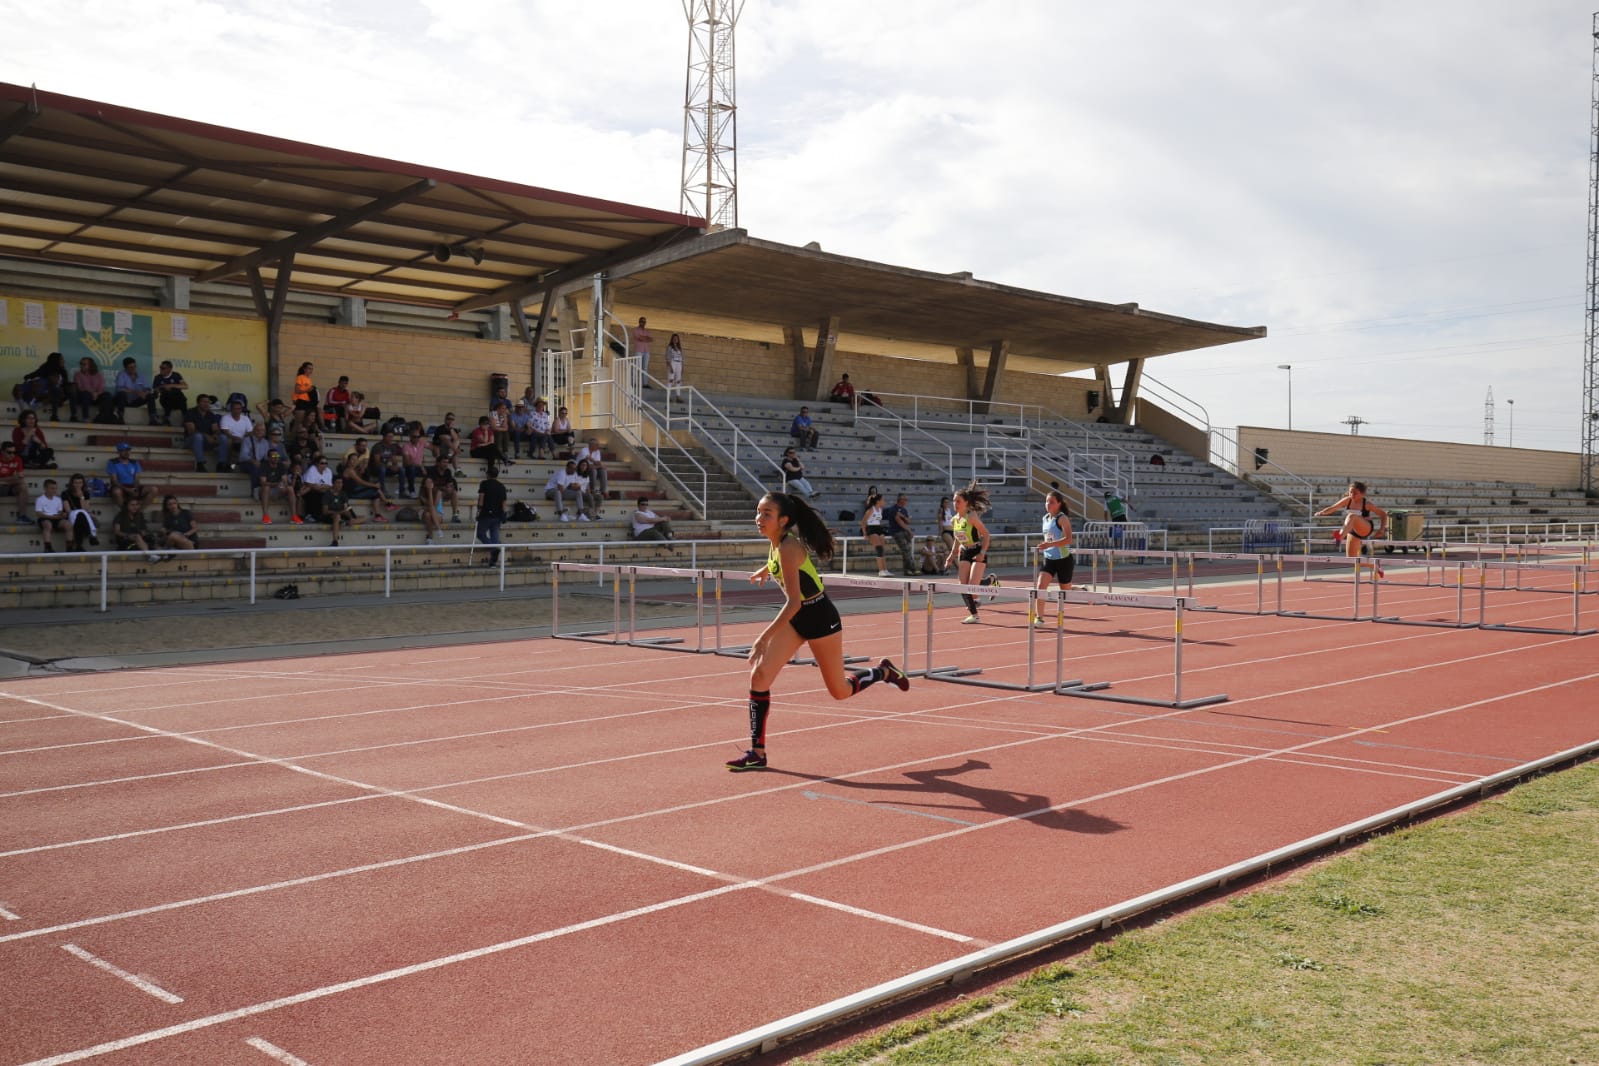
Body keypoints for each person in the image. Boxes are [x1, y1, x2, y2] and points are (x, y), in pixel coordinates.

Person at [726, 492, 910, 772]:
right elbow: (791, 569)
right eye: (758, 512)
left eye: (766, 514)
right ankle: (757, 752)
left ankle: (883, 671)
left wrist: (762, 638)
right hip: (798, 619)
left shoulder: (788, 547)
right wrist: (767, 568)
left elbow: (794, 601)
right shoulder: (777, 544)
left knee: (839, 691)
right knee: (760, 676)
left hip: (820, 618)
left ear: (783, 520)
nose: (759, 519)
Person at [945, 480, 993, 625]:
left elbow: (986, 535)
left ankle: (990, 580)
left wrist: (982, 552)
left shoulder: (971, 517)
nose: (955, 503)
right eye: (954, 501)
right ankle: (974, 615)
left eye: (958, 501)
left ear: (966, 502)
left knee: (972, 587)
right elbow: (957, 539)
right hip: (964, 552)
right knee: (963, 585)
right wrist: (951, 555)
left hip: (977, 550)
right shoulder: (954, 520)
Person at [1315, 481, 1389, 561]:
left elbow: (1383, 514)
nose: (1352, 495)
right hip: (1352, 530)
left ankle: (1340, 537)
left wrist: (1381, 530)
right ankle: (1375, 567)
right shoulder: (1347, 500)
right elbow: (1333, 508)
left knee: (1351, 515)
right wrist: (1322, 512)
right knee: (1351, 560)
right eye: (1350, 492)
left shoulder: (1367, 504)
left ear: (1362, 494)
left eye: (1355, 493)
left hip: (1366, 527)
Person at [1033, 490, 1075, 626]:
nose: (1048, 504)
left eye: (1051, 502)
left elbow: (1069, 539)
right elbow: (1049, 537)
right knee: (1040, 586)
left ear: (1059, 504)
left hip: (1064, 560)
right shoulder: (1045, 518)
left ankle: (1080, 590)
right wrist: (1044, 545)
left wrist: (1049, 544)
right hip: (1049, 559)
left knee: (1066, 592)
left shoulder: (1062, 518)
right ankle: (1039, 617)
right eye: (1046, 501)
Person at [14, 352, 68, 421]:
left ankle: (52, 414)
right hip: (39, 391)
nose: (63, 361)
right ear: (55, 360)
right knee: (17, 388)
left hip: (52, 394)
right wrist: (29, 379)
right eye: (61, 359)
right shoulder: (44, 371)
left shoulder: (63, 373)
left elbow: (65, 387)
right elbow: (32, 375)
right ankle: (24, 411)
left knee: (56, 392)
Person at [184, 394, 228, 472]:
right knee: (198, 436)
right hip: (191, 441)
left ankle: (221, 464)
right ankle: (200, 464)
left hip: (207, 441)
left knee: (223, 438)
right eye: (204, 402)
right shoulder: (190, 412)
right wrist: (206, 436)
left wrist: (215, 434)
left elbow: (215, 429)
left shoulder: (210, 415)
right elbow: (191, 430)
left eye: (208, 402)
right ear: (198, 403)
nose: (206, 404)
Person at [106, 441, 156, 509]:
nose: (127, 452)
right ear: (118, 452)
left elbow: (137, 479)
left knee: (154, 489)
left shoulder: (134, 462)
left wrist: (135, 489)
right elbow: (114, 481)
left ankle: (139, 511)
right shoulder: (113, 462)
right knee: (116, 492)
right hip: (121, 487)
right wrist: (127, 489)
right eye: (124, 450)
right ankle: (124, 511)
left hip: (132, 486)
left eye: (128, 450)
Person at [258, 450, 302, 525]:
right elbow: (263, 482)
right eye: (273, 456)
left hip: (276, 490)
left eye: (277, 456)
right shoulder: (264, 465)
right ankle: (265, 516)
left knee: (290, 488)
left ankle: (294, 516)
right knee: (266, 487)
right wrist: (276, 484)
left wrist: (284, 485)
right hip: (264, 490)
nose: (276, 458)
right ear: (269, 458)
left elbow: (285, 480)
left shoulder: (281, 465)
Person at [475, 465, 507, 566]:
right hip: (497, 514)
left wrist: (479, 509)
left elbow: (481, 497)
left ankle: (494, 550)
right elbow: (504, 502)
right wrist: (504, 513)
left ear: (488, 474)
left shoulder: (484, 484)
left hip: (486, 513)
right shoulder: (501, 486)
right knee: (495, 537)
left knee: (480, 533)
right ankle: (493, 561)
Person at [61, 472, 99, 550]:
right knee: (80, 514)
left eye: (80, 483)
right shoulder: (65, 493)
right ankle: (90, 535)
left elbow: (85, 509)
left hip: (82, 516)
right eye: (76, 483)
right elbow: (68, 510)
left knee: (81, 516)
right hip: (71, 514)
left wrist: (81, 496)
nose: (78, 485)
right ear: (72, 483)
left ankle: (79, 545)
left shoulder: (85, 493)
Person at [113, 357, 155, 425]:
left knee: (150, 396)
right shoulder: (122, 375)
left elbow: (147, 388)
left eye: (134, 366)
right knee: (122, 393)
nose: (133, 369)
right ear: (125, 368)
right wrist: (136, 392)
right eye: (131, 367)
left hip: (135, 401)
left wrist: (145, 393)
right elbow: (119, 389)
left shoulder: (141, 376)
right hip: (123, 401)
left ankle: (153, 418)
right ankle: (120, 417)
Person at [422, 456, 463, 525]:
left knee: (454, 493)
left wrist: (448, 488)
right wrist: (443, 488)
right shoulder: (432, 470)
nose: (446, 464)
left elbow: (449, 485)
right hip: (432, 494)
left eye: (447, 462)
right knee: (438, 492)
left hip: (442, 493)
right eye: (444, 462)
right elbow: (430, 485)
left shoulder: (448, 471)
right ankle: (434, 513)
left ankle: (455, 515)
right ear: (438, 463)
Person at [321, 475, 360, 547]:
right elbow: (325, 511)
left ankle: (346, 522)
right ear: (333, 484)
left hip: (341, 514)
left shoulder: (343, 494)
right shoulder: (327, 494)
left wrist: (350, 518)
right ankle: (335, 541)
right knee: (337, 516)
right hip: (329, 516)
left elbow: (346, 508)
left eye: (341, 483)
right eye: (338, 483)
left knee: (363, 518)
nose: (340, 485)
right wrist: (339, 512)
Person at [34, 478, 69, 553]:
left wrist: (62, 514)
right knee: (48, 525)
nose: (54, 490)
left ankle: (69, 547)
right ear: (45, 488)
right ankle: (48, 547)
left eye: (55, 488)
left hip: (56, 518)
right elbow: (39, 513)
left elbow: (59, 511)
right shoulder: (40, 499)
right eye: (52, 488)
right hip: (45, 518)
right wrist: (51, 517)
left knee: (68, 524)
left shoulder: (58, 499)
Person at [72, 356, 111, 423]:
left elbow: (101, 388)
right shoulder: (78, 374)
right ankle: (85, 417)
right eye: (81, 364)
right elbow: (80, 387)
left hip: (96, 396)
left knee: (107, 395)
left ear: (90, 365)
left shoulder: (98, 375)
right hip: (84, 396)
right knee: (85, 394)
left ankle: (104, 416)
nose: (82, 366)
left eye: (84, 364)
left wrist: (97, 393)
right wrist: (92, 392)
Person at [219, 397, 255, 469]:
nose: (237, 411)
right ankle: (228, 464)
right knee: (229, 441)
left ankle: (242, 465)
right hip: (231, 438)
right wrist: (234, 438)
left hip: (243, 439)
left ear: (241, 409)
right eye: (235, 409)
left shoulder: (245, 418)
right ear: (231, 409)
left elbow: (250, 432)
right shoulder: (225, 417)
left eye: (239, 409)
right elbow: (225, 431)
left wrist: (243, 438)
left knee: (250, 441)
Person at [860, 491, 890, 577]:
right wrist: (865, 534)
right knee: (879, 549)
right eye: (883, 500)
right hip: (871, 529)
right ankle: (881, 570)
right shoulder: (870, 510)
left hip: (878, 528)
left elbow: (877, 520)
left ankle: (885, 569)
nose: (884, 501)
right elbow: (863, 522)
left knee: (883, 549)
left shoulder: (880, 509)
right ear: (878, 501)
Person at [574, 438, 608, 512]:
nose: (598, 446)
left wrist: (597, 464)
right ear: (591, 445)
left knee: (603, 471)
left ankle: (603, 491)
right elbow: (587, 465)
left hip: (592, 467)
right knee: (594, 471)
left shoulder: (597, 451)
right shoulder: (584, 450)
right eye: (597, 445)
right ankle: (592, 490)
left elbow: (598, 463)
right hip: (581, 468)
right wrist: (597, 464)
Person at [150, 360, 188, 426]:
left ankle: (186, 419)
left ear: (169, 369)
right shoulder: (158, 377)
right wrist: (162, 387)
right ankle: (166, 418)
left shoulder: (176, 375)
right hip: (165, 399)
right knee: (168, 394)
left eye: (163, 368)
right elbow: (155, 390)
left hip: (177, 400)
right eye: (160, 367)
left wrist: (171, 385)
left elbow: (185, 386)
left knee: (180, 395)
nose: (161, 369)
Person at [886, 493, 917, 574]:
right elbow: (899, 522)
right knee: (906, 550)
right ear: (900, 500)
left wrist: (903, 516)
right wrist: (909, 531)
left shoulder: (904, 510)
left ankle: (907, 570)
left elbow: (908, 521)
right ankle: (913, 569)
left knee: (907, 551)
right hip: (897, 531)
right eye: (905, 499)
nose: (906, 501)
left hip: (904, 531)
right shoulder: (894, 509)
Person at [0, 440, 28, 519]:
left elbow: (20, 478)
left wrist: (2, 481)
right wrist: (13, 478)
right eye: (9, 452)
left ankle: (22, 516)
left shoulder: (18, 459)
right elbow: (17, 477)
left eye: (14, 452)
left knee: (22, 486)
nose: (12, 455)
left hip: (10, 487)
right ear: (2, 452)